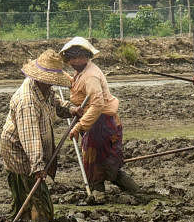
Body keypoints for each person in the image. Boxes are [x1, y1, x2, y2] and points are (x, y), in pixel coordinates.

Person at [0, 49, 75, 222]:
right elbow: (30, 137)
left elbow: (55, 103)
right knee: (38, 198)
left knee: (25, 195)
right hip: (18, 151)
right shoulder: (27, 101)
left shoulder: (44, 89)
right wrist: (38, 166)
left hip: (29, 147)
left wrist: (71, 109)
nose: (52, 85)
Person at [59, 36, 139, 195]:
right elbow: (76, 86)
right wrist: (58, 75)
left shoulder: (91, 76)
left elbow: (97, 105)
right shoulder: (81, 71)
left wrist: (80, 126)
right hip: (94, 122)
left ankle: (106, 193)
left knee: (105, 164)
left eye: (75, 58)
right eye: (70, 59)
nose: (72, 62)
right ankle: (98, 192)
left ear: (84, 57)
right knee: (95, 161)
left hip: (102, 123)